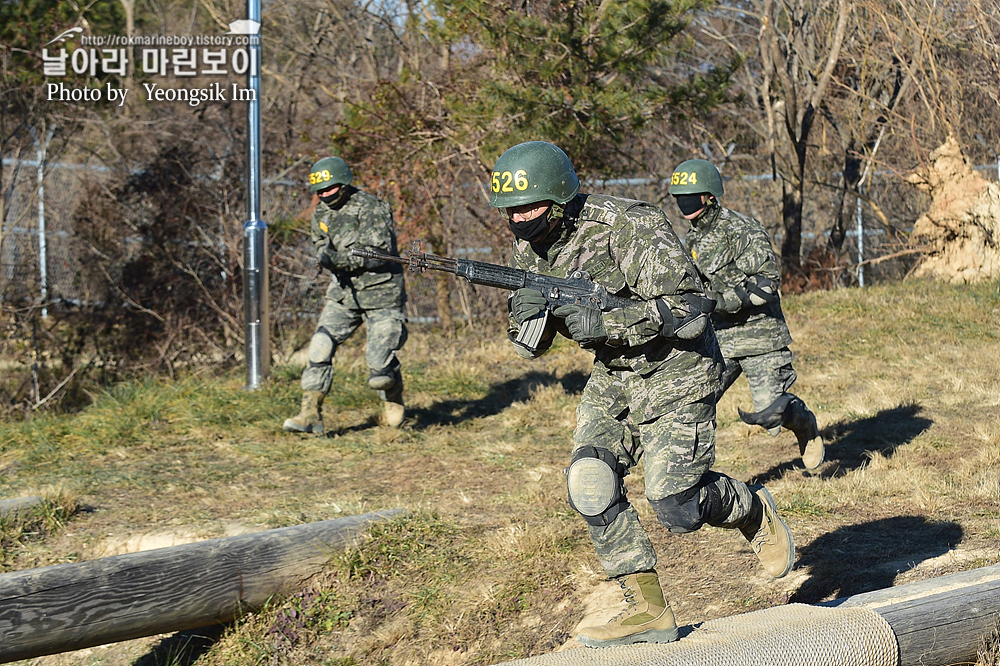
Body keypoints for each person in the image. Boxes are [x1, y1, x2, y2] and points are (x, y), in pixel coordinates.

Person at [494, 141, 794, 648]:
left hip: (681, 370)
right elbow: (535, 345)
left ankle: (751, 511)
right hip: (615, 379)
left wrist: (610, 322)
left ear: (560, 198)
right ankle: (647, 611)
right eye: (512, 211)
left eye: (531, 207)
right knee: (590, 483)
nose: (521, 219)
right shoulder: (531, 249)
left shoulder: (629, 227)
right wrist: (528, 318)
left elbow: (692, 308)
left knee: (676, 505)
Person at [668, 159, 824, 470]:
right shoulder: (692, 239)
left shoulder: (742, 230)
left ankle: (806, 427)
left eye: (691, 194)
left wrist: (721, 301)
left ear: (709, 195)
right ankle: (689, 477)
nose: (684, 203)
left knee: (771, 414)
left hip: (760, 336)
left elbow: (767, 284)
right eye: (679, 196)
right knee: (694, 403)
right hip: (718, 340)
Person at [283, 157, 407, 433]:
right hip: (344, 294)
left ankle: (393, 396)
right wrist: (324, 257)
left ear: (344, 183)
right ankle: (310, 414)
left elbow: (377, 253)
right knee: (319, 346)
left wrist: (335, 259)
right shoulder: (321, 214)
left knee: (378, 369)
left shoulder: (371, 207)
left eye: (330, 188)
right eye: (320, 191)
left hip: (381, 293)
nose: (325, 195)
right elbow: (320, 246)